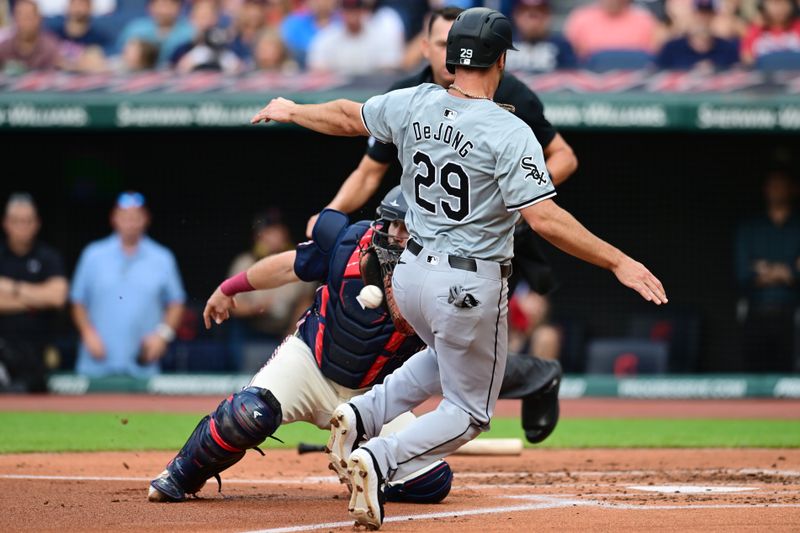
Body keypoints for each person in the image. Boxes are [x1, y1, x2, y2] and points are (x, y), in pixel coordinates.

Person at [250, 7, 667, 528]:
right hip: (467, 284)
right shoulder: (507, 129)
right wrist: (618, 261)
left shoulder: (415, 102)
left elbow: (343, 115)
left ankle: (361, 415)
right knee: (471, 413)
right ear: (497, 61)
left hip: (411, 276)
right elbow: (545, 219)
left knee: (445, 360)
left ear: (451, 58)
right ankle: (379, 458)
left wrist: (291, 109)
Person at [149, 187, 561, 504]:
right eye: (392, 224)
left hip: (374, 396)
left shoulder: (441, 277)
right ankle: (181, 473)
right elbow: (289, 265)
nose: (397, 235)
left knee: (432, 483)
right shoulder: (349, 242)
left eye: (408, 227)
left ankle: (362, 469)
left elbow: (462, 354)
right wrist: (230, 287)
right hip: (309, 364)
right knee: (248, 416)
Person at [305, 6, 576, 241]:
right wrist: (332, 210)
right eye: (443, 44)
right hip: (429, 239)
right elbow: (368, 173)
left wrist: (521, 199)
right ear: (424, 47)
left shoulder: (510, 92)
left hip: (499, 237)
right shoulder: (407, 95)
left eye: (459, 43)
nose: (454, 52)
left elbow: (565, 156)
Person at [70, 191, 186, 378]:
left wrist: (162, 336)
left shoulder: (162, 257)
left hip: (142, 364)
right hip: (96, 363)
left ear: (146, 219)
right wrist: (87, 333)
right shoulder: (92, 255)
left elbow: (176, 302)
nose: (130, 223)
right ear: (114, 218)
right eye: (125, 216)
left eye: (136, 217)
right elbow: (77, 301)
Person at [226, 209, 314, 370]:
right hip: (252, 333)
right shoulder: (245, 262)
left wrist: (291, 333)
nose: (275, 236)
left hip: (283, 332)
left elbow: (305, 300)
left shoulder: (296, 262)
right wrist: (255, 308)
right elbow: (231, 306)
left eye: (278, 231)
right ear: (258, 236)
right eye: (269, 232)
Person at [0, 193, 68, 392]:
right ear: (6, 223)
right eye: (17, 221)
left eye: (28, 221)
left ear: (37, 223)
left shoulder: (48, 257)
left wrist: (12, 288)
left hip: (37, 354)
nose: (23, 226)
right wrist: (36, 299)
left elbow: (57, 298)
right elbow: (47, 297)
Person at [735, 171, 800, 372]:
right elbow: (743, 274)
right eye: (773, 185)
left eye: (782, 185)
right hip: (755, 312)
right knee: (753, 377)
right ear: (765, 189)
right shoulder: (750, 228)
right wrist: (787, 271)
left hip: (794, 314)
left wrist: (764, 268)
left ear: (792, 189)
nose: (777, 190)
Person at [307, 0, 404, 75]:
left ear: (364, 11)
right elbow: (317, 69)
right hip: (337, 94)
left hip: (373, 92)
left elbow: (389, 70)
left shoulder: (382, 36)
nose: (352, 15)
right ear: (341, 11)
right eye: (348, 10)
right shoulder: (326, 37)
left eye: (356, 9)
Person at [656, 0, 740, 70]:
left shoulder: (727, 48)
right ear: (692, 14)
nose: (703, 17)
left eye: (708, 13)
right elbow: (657, 73)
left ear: (714, 15)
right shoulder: (672, 48)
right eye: (699, 13)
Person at [563, 0, 659, 60]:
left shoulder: (646, 20)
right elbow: (571, 58)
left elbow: (653, 60)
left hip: (638, 84)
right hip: (592, 85)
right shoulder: (580, 18)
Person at [506, 0, 577, 72]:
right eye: (528, 14)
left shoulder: (561, 45)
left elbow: (571, 75)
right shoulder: (503, 45)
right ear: (516, 16)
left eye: (538, 13)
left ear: (548, 15)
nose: (533, 21)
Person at [116, 0, 194, 66]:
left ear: (179, 8)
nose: (164, 10)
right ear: (150, 7)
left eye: (169, 5)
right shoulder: (136, 28)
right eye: (160, 5)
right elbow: (122, 54)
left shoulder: (190, 31)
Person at [0, 0, 60, 72]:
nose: (24, 23)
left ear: (38, 19)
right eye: (20, 17)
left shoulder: (50, 48)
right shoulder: (4, 48)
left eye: (28, 17)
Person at [741, 0, 800, 65]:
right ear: (763, 5)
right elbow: (747, 57)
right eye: (774, 3)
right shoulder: (756, 29)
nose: (779, 8)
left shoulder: (798, 27)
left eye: (784, 3)